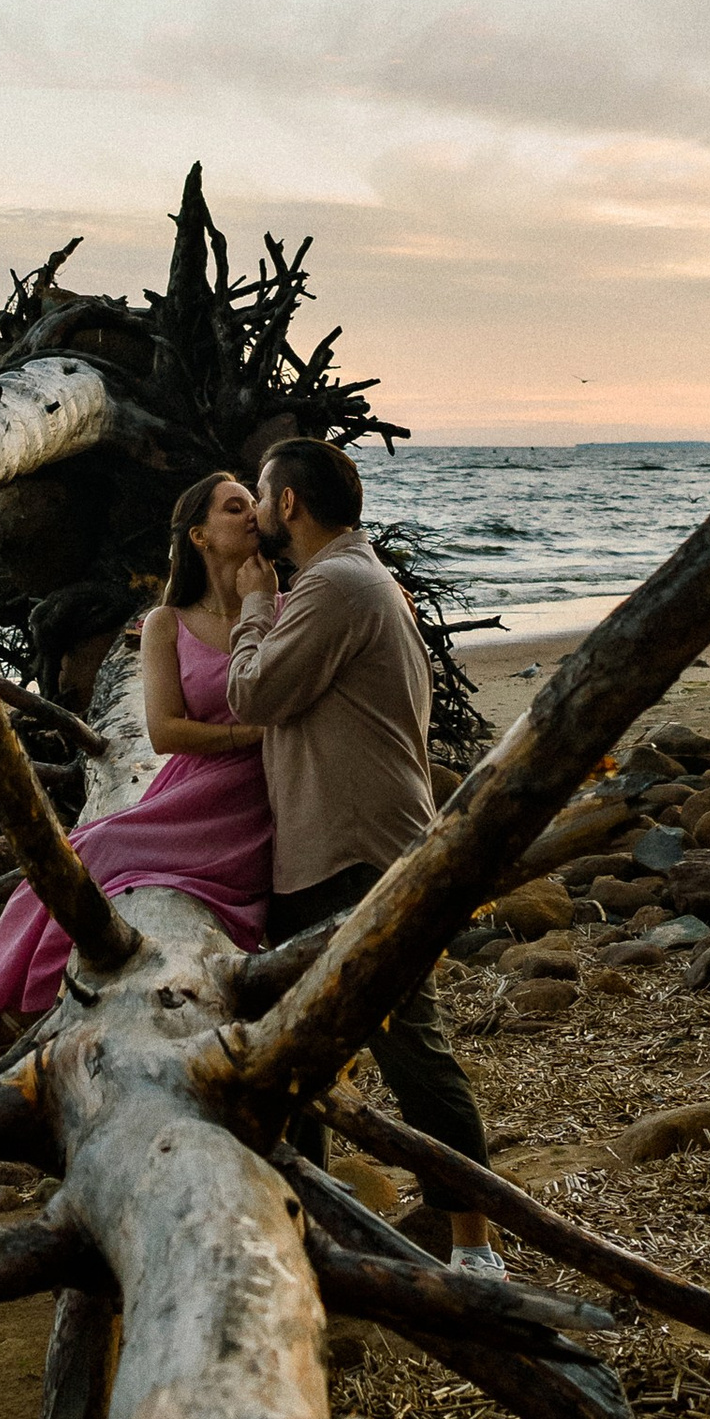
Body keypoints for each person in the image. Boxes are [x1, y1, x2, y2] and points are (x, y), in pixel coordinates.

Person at [225, 436, 505, 1278]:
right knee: (300, 1049)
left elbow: (254, 693)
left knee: (409, 1044)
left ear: (289, 507)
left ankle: (476, 1246)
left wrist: (248, 606)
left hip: (355, 850)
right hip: (336, 846)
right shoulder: (350, 578)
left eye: (263, 491)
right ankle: (302, 1233)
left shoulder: (338, 585)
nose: (259, 504)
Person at [0, 469, 275, 1078]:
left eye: (252, 505)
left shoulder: (279, 610)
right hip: (188, 790)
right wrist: (251, 734)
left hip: (250, 805)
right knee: (69, 855)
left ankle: (6, 1021)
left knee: (94, 846)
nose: (251, 515)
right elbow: (164, 732)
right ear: (199, 536)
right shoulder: (167, 622)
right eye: (234, 507)